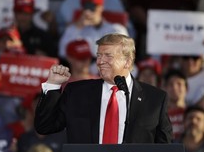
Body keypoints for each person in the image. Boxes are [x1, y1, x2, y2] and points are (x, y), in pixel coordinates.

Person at [34, 33, 173, 143]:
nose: (100, 62)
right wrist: (53, 85)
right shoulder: (77, 93)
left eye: (108, 56)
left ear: (127, 61)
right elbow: (45, 126)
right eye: (99, 55)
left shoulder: (155, 99)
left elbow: (164, 148)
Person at [58, 0, 128, 59]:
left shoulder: (115, 29)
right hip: (83, 67)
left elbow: (123, 54)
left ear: (101, 7)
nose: (89, 10)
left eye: (93, 6)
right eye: (86, 6)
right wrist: (77, 27)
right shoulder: (77, 30)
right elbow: (62, 52)